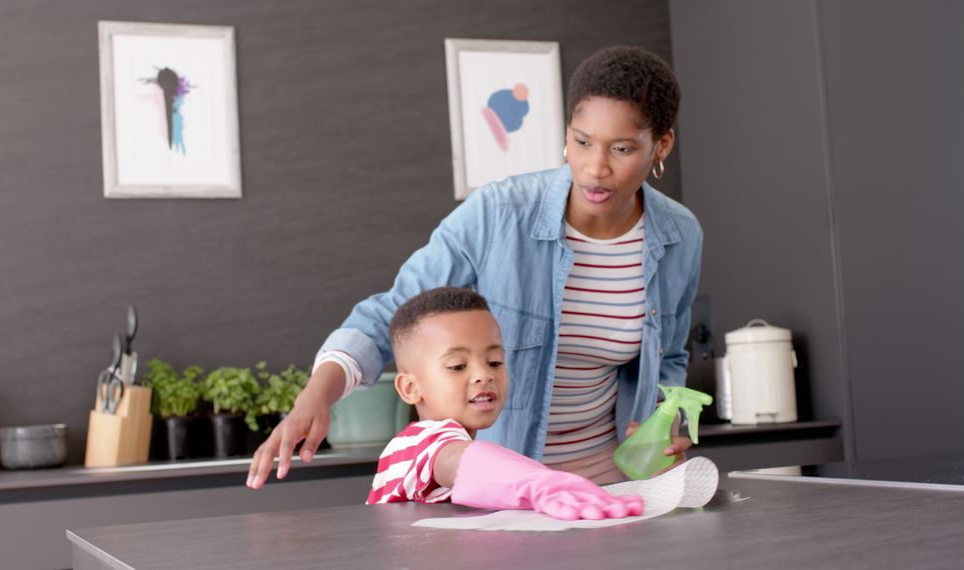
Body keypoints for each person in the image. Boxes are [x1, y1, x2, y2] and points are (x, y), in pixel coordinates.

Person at [247, 45, 702, 489]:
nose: (594, 168)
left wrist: (663, 420)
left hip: (615, 484)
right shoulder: (498, 215)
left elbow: (669, 357)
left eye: (621, 149)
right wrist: (316, 396)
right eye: (582, 142)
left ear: (660, 145)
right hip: (507, 486)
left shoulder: (679, 236)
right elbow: (392, 315)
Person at [366, 287, 643, 520]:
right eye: (458, 366)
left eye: (495, 362)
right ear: (410, 388)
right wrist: (539, 483)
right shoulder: (416, 445)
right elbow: (458, 459)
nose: (484, 375)